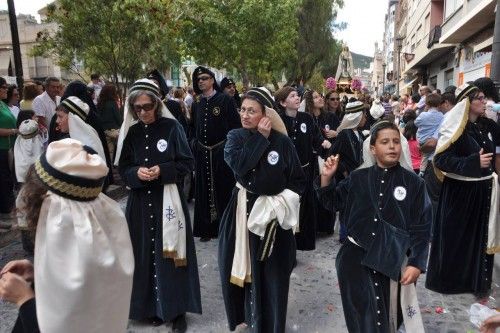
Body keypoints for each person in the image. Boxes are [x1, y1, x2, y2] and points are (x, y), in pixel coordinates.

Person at [0, 138, 134, 333]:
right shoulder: (95, 239)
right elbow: (73, 296)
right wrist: (38, 275)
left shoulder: (78, 238)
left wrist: (24, 299)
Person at [317, 120, 431, 332]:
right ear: (372, 148)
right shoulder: (357, 178)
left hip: (394, 260)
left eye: (396, 142)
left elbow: (422, 227)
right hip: (355, 260)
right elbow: (331, 202)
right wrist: (326, 178)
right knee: (361, 318)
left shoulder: (414, 183)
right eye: (385, 142)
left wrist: (416, 262)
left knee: (388, 319)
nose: (392, 147)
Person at [116, 79, 201, 331]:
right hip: (140, 203)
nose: (142, 112)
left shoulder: (172, 129)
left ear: (157, 104)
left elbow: (187, 163)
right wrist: (136, 174)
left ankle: (176, 309)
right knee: (143, 254)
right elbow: (123, 168)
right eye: (137, 108)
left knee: (173, 256)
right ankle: (149, 307)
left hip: (168, 201)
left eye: (147, 106)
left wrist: (162, 171)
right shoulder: (131, 133)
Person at [218, 87, 305, 333]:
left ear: (266, 114)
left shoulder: (283, 142)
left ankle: (272, 325)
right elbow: (240, 166)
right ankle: (246, 318)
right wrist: (260, 139)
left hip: (274, 217)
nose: (245, 115)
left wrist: (282, 202)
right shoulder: (235, 137)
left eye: (252, 111)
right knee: (241, 268)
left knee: (272, 273)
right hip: (242, 210)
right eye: (243, 110)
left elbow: (298, 180)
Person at [426, 83, 500, 296]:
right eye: (479, 98)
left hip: (482, 192)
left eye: (484, 98)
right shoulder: (456, 127)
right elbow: (441, 159)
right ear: (467, 102)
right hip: (461, 194)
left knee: (479, 239)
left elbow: (496, 150)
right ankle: (454, 282)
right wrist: (472, 162)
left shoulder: (486, 126)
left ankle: (476, 282)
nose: (484, 101)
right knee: (458, 239)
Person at [275, 86, 331, 250]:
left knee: (305, 207)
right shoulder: (278, 121)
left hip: (305, 170)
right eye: (292, 96)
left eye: (297, 95)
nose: (297, 98)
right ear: (283, 102)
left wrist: (323, 142)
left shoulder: (306, 118)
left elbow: (316, 136)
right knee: (287, 206)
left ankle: (303, 242)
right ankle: (285, 245)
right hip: (285, 173)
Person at [190, 66, 241, 241]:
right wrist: (194, 144)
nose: (201, 82)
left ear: (212, 80)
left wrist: (228, 146)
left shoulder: (225, 100)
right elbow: (192, 128)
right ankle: (206, 229)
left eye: (204, 78)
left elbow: (235, 127)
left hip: (221, 152)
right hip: (203, 152)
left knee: (223, 187)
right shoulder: (197, 103)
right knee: (203, 189)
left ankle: (225, 226)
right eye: (198, 80)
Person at [329, 101, 367, 243]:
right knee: (346, 206)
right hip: (347, 177)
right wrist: (344, 170)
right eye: (363, 115)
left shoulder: (360, 135)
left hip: (358, 176)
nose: (365, 118)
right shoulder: (345, 134)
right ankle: (345, 236)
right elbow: (332, 155)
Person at [304, 89, 338, 234]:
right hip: (312, 160)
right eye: (316, 97)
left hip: (327, 158)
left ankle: (326, 225)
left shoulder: (330, 117)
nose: (320, 99)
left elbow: (340, 136)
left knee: (326, 188)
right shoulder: (306, 118)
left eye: (320, 96)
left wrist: (336, 134)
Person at [414, 93, 444, 175]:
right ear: (439, 104)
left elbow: (416, 123)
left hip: (422, 140)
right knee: (427, 156)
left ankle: (422, 171)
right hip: (433, 140)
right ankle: (422, 170)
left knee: (425, 156)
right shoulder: (441, 115)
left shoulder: (423, 115)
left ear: (427, 104)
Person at [0, 78, 17, 216]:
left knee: (7, 178)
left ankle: (7, 208)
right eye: (4, 87)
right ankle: (6, 209)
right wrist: (13, 131)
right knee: (3, 178)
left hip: (8, 147)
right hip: (1, 148)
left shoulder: (2, 104)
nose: (7, 89)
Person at [96, 83, 122, 161]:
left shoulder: (100, 103)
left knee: (109, 152)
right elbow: (118, 117)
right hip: (114, 130)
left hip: (104, 130)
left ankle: (109, 168)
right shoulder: (113, 103)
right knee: (122, 148)